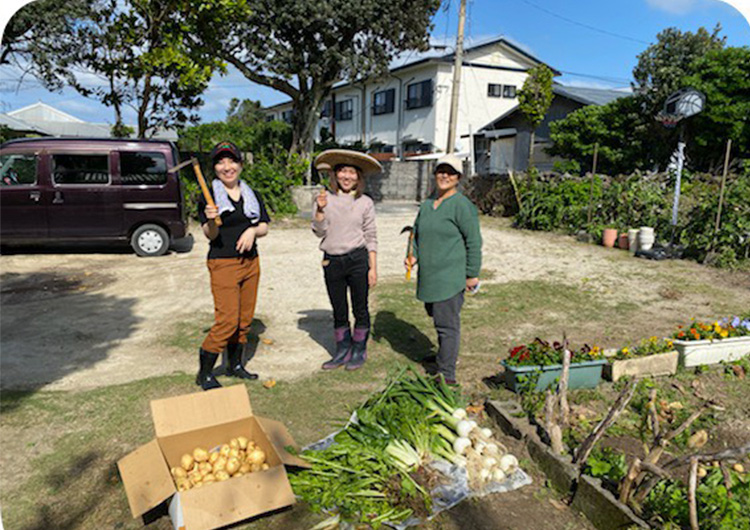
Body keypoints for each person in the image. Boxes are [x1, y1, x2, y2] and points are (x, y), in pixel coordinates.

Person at [195, 141, 271, 390]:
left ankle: (235, 366)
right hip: (223, 263)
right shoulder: (208, 196)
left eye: (231, 161)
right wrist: (211, 218)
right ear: (215, 167)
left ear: (239, 164)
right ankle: (205, 373)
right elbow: (211, 235)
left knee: (244, 320)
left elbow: (264, 226)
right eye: (220, 162)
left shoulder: (252, 194)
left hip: (251, 262)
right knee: (227, 320)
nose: (227, 167)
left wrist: (251, 230)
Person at [404, 154, 482, 385]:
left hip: (450, 277)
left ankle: (447, 374)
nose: (444, 176)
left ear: (458, 178)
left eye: (450, 172)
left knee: (447, 325)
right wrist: (413, 254)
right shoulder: (428, 203)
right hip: (429, 275)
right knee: (436, 316)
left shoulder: (462, 206)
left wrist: (472, 274)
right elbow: (416, 233)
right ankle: (442, 356)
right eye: (441, 171)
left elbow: (473, 242)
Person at [312, 149, 381, 371]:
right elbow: (319, 231)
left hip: (358, 259)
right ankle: (342, 349)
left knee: (360, 308)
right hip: (332, 261)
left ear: (358, 177)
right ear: (335, 175)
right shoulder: (325, 198)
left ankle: (359, 349)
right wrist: (320, 210)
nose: (347, 177)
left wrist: (373, 268)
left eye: (352, 172)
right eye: (342, 171)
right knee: (339, 308)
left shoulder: (365, 202)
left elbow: (371, 236)